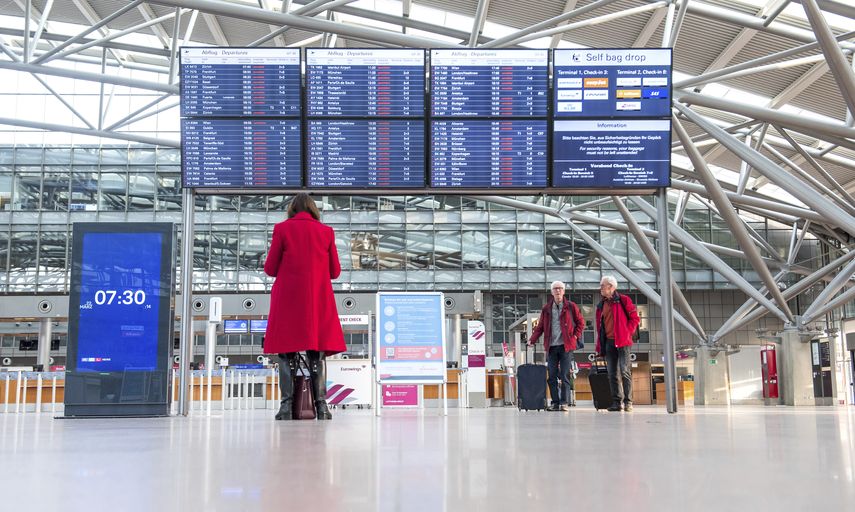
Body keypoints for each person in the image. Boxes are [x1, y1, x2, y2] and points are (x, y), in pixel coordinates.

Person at [263, 194, 345, 420]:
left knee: (286, 353)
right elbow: (335, 272)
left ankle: (286, 407)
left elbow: (270, 269)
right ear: (313, 210)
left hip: (288, 298)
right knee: (316, 354)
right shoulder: (326, 232)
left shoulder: (282, 229)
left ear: (292, 210)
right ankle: (322, 407)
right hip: (317, 298)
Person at [528, 281, 584, 412]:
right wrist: (532, 340)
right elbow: (540, 327)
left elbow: (581, 322)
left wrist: (575, 336)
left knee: (564, 375)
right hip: (552, 347)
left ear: (564, 291)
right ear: (552, 292)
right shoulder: (546, 309)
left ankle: (564, 402)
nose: (558, 291)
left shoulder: (571, 306)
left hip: (566, 346)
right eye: (555, 289)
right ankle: (554, 402)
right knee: (552, 376)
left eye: (560, 289)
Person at [594, 275, 640, 412]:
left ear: (611, 287)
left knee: (625, 371)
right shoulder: (601, 305)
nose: (600, 288)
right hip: (608, 342)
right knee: (612, 373)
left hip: (623, 342)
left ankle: (628, 402)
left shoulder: (623, 300)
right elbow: (600, 327)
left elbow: (635, 319)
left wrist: (627, 332)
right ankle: (616, 402)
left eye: (603, 285)